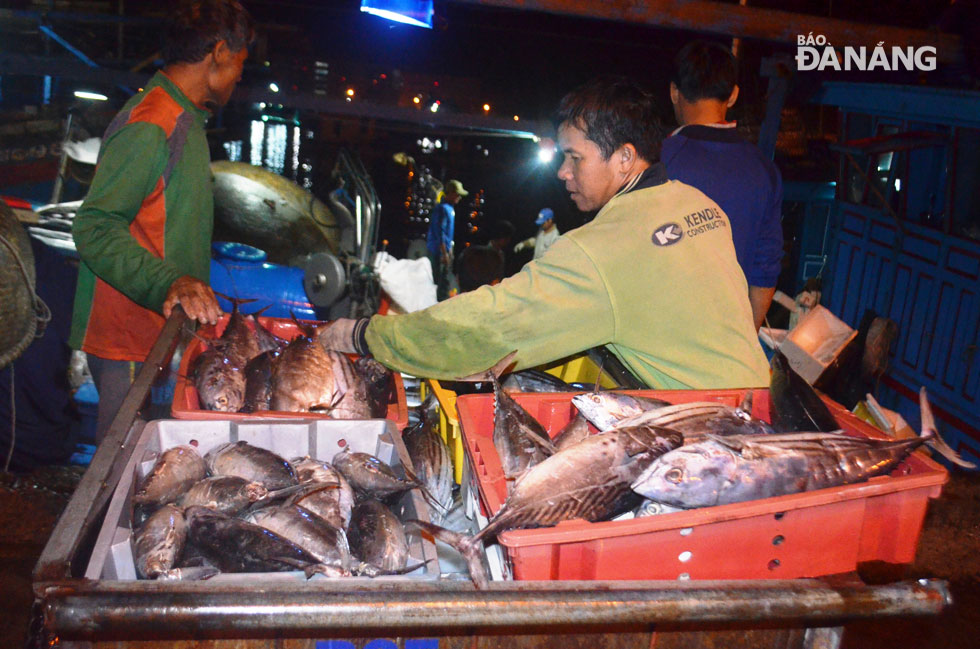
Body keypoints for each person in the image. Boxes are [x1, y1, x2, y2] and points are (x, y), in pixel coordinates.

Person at [319, 76, 768, 390]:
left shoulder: (602, 250)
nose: (562, 172)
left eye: (575, 158)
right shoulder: (700, 205)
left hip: (708, 432)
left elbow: (487, 328)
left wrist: (364, 337)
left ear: (625, 158)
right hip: (756, 402)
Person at [69, 0, 254, 444]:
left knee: (145, 464)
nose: (240, 77)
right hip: (129, 336)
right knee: (116, 473)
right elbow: (93, 226)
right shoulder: (152, 123)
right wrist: (171, 283)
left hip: (159, 334)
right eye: (241, 65)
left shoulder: (186, 120)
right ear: (220, 52)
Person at [661, 40, 783, 330]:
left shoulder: (657, 160)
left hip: (659, 337)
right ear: (732, 96)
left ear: (674, 92)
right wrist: (744, 339)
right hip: (723, 340)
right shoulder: (764, 171)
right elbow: (764, 271)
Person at [426, 178, 467, 301]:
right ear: (451, 193)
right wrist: (444, 253)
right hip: (437, 253)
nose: (459, 197)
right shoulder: (442, 208)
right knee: (438, 283)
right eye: (458, 194)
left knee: (443, 282)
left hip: (444, 251)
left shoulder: (450, 208)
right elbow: (440, 233)